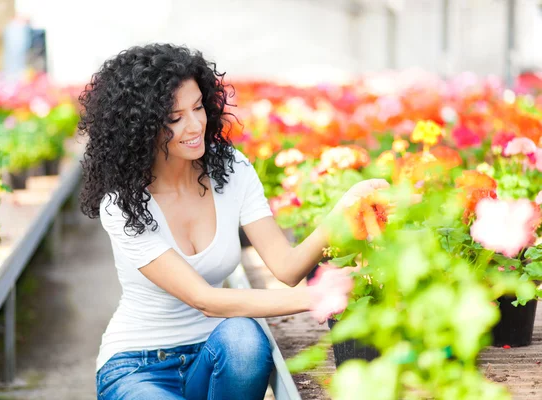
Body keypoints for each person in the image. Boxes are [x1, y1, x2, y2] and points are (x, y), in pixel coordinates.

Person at [78, 43, 388, 400]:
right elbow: (205, 299)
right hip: (138, 368)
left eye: (197, 108)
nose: (194, 125)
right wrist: (318, 295)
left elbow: (286, 268)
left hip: (215, 354)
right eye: (174, 118)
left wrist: (346, 210)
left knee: (245, 339)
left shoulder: (229, 168)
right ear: (140, 127)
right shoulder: (123, 202)